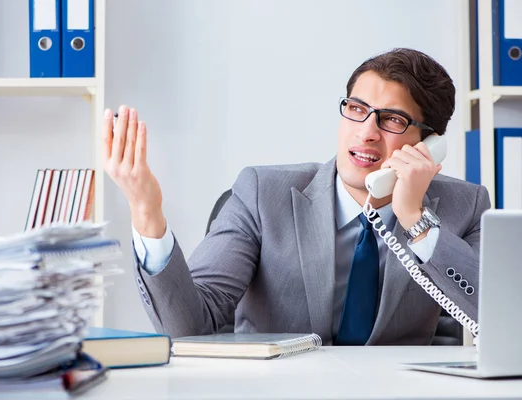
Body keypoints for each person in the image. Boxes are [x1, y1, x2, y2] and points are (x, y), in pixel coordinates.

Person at [102, 48, 490, 345]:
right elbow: (188, 326)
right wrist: (146, 212)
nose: (366, 132)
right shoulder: (261, 194)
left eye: (391, 119)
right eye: (357, 109)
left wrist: (414, 219)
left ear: (429, 143)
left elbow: (499, 319)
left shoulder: (465, 206)